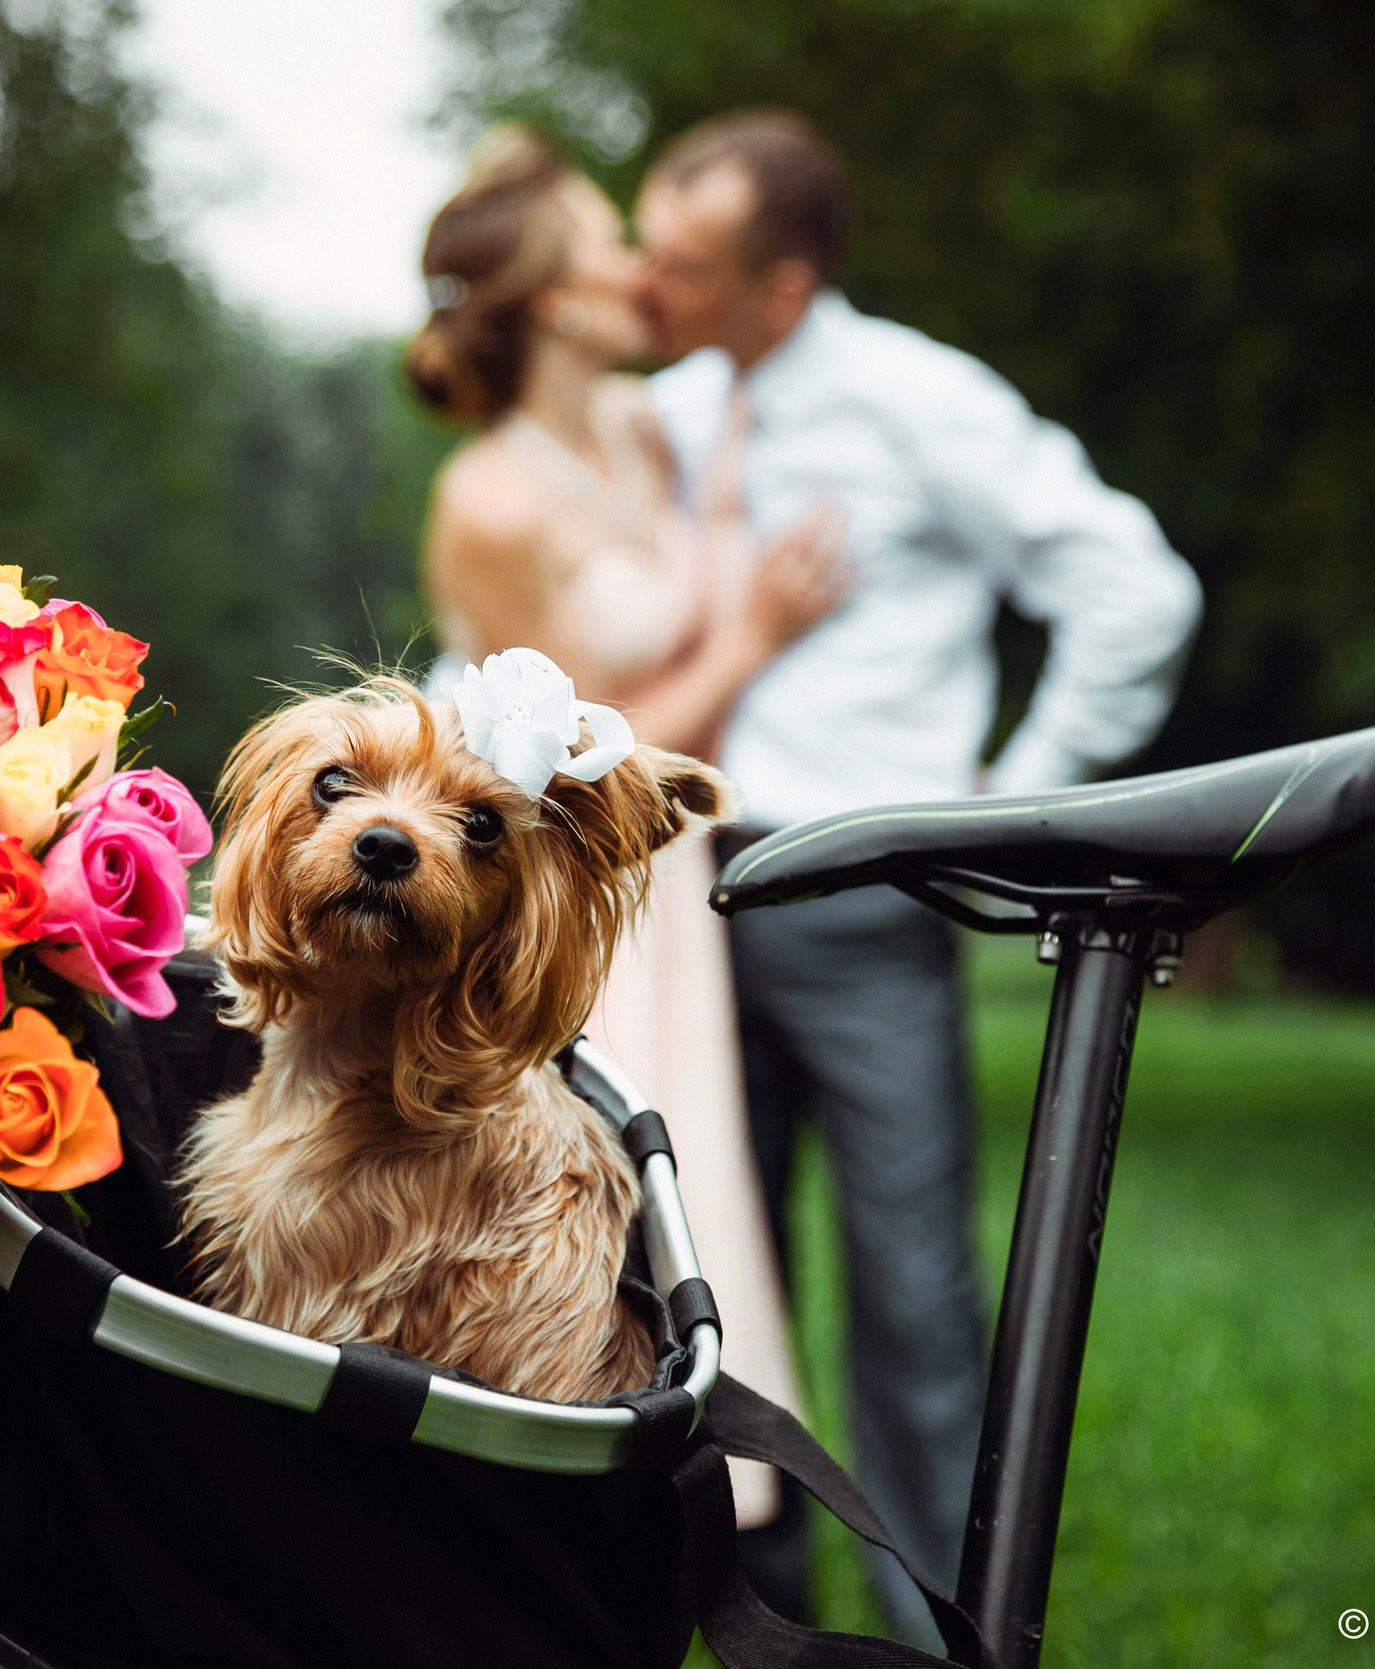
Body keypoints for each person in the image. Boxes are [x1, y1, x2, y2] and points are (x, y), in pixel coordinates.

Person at [633, 110, 1204, 1644]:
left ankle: (944, 1636)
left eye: (681, 264)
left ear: (786, 286)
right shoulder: (666, 416)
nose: (644, 283)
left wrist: (1008, 815)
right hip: (680, 912)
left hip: (869, 902)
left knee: (917, 1313)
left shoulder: (917, 401)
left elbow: (1132, 586)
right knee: (695, 1296)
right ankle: (746, 1622)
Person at [407, 126, 842, 1533]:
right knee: (584, 1212)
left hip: (679, 884)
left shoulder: (653, 430)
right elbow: (577, 761)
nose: (640, 267)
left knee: (699, 1192)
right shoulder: (488, 496)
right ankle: (567, 1516)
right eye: (609, 243)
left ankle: (732, 1509)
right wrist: (760, 634)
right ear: (553, 299)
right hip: (576, 889)